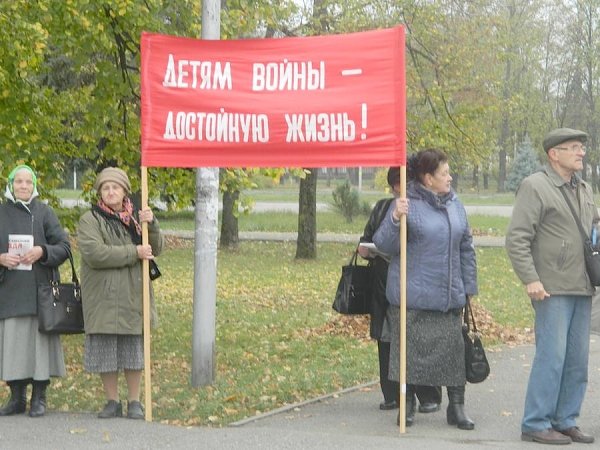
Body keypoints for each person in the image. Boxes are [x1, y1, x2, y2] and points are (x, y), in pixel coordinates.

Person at [373, 149, 478, 429]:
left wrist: (469, 286)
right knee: (409, 356)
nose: (450, 177)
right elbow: (384, 245)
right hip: (413, 298)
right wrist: (395, 217)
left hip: (448, 296)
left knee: (454, 354)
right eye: (444, 173)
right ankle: (407, 407)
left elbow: (465, 246)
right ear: (428, 178)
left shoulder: (455, 203)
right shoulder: (407, 203)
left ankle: (456, 408)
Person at [506, 128, 595, 445]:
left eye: (581, 147)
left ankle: (565, 420)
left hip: (582, 286)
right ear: (553, 154)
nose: (581, 152)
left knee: (576, 360)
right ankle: (536, 422)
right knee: (552, 357)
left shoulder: (583, 188)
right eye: (573, 147)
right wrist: (530, 278)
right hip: (551, 288)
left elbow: (590, 230)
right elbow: (517, 238)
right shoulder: (536, 186)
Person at [78, 167, 163, 419]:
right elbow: (95, 253)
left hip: (133, 294)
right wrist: (133, 253)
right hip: (102, 296)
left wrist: (153, 224)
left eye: (115, 187)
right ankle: (112, 401)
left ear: (125, 191)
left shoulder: (138, 218)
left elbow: (155, 248)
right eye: (106, 188)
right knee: (106, 351)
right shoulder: (89, 219)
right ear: (100, 193)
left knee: (132, 350)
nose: (111, 191)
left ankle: (135, 402)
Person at [358, 167, 442, 413]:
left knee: (419, 339)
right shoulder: (384, 208)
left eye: (406, 183)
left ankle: (428, 395)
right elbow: (367, 238)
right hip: (384, 285)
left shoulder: (427, 207)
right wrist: (364, 248)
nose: (402, 188)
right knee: (387, 340)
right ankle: (393, 394)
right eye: (398, 184)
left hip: (417, 283)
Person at [0, 164, 71, 418]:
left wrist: (42, 251)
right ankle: (17, 397)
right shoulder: (1, 212)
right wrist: (1, 258)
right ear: (10, 184)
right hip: (10, 293)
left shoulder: (44, 212)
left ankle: (39, 397)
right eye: (18, 181)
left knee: (40, 348)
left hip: (40, 294)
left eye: (28, 182)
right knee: (14, 348)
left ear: (34, 185)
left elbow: (64, 247)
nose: (23, 186)